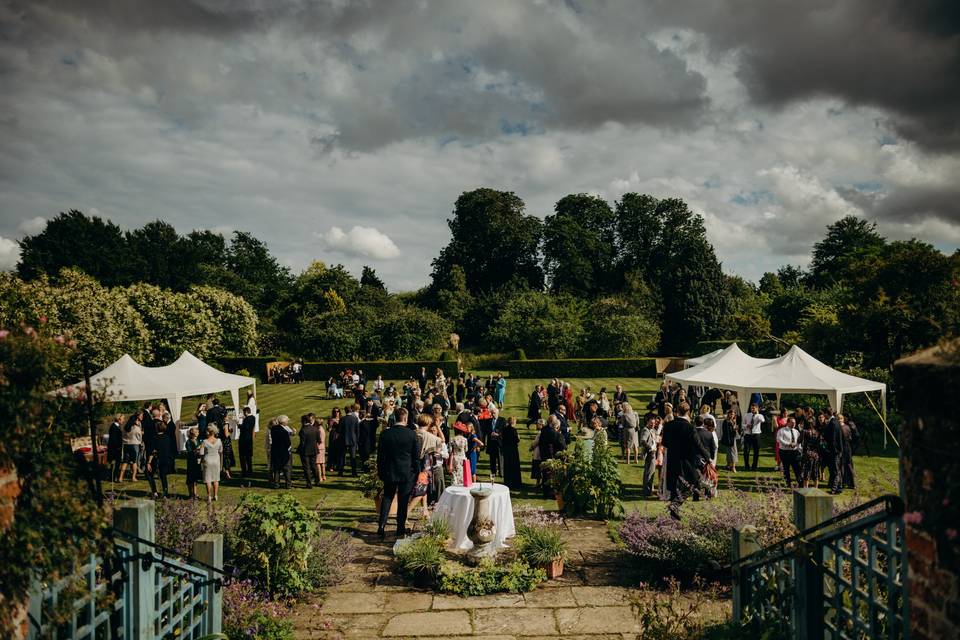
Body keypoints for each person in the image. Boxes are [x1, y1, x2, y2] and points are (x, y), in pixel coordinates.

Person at [661, 402, 710, 520]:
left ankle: (673, 513)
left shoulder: (668, 425)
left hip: (672, 458)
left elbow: (665, 443)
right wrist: (707, 456)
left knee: (674, 485)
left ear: (677, 411)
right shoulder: (690, 427)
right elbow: (698, 444)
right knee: (694, 483)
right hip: (687, 460)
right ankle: (676, 504)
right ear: (688, 412)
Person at [377, 407, 420, 540]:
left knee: (387, 497)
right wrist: (417, 472)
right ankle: (400, 527)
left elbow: (380, 456)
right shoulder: (412, 434)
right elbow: (416, 457)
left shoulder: (385, 434)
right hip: (406, 472)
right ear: (406, 418)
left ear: (395, 418)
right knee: (403, 500)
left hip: (390, 470)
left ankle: (382, 525)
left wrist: (380, 471)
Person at [148, 419, 177, 497]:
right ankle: (165, 493)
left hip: (157, 459)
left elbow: (153, 451)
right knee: (163, 476)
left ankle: (154, 491)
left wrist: (149, 462)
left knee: (149, 474)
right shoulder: (167, 437)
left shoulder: (154, 438)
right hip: (166, 458)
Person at [820, 407, 844, 494]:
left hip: (834, 450)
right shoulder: (835, 422)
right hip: (835, 450)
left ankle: (834, 488)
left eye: (823, 413)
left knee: (835, 470)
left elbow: (833, 439)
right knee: (835, 470)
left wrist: (831, 450)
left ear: (827, 413)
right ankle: (839, 487)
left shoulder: (833, 423)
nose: (823, 415)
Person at [198, 426, 223, 503]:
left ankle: (209, 496)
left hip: (207, 461)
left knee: (208, 479)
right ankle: (215, 495)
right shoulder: (219, 440)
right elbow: (220, 450)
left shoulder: (205, 442)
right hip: (216, 461)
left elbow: (201, 453)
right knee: (216, 479)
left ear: (208, 432)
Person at [777, 417, 802, 487]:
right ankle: (788, 483)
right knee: (786, 468)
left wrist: (799, 448)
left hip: (794, 452)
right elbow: (779, 440)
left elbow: (799, 441)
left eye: (794, 422)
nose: (794, 424)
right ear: (788, 422)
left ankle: (800, 482)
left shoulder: (796, 431)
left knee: (797, 468)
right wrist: (788, 444)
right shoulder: (782, 431)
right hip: (785, 452)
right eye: (792, 422)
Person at [270, 415, 293, 489]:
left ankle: (276, 483)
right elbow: (288, 443)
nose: (287, 422)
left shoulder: (273, 429)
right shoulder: (284, 432)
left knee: (276, 469)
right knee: (287, 469)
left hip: (275, 451)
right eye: (287, 421)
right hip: (283, 452)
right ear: (283, 422)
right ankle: (288, 484)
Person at [119, 412, 143, 482]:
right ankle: (133, 477)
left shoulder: (125, 427)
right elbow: (140, 437)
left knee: (125, 462)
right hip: (134, 445)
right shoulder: (136, 428)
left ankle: (120, 477)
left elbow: (122, 436)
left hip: (126, 445)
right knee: (134, 462)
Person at [799, 415, 822, 488]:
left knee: (807, 471)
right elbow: (820, 443)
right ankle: (815, 488)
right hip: (815, 453)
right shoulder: (817, 432)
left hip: (807, 453)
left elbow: (799, 441)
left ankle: (806, 488)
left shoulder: (804, 431)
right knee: (815, 471)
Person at [299, 414, 321, 488]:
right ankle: (317, 480)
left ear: (304, 421)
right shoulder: (315, 429)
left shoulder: (303, 430)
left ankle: (309, 483)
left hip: (305, 451)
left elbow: (302, 443)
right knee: (314, 466)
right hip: (314, 450)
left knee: (307, 468)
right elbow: (319, 440)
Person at [501, 416, 522, 491]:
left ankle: (507, 482)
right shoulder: (514, 430)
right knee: (514, 466)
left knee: (507, 465)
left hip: (506, 449)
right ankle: (515, 483)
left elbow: (502, 438)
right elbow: (516, 440)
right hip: (513, 450)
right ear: (514, 422)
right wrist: (518, 438)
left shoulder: (504, 429)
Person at [741, 403, 764, 471]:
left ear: (757, 408)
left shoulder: (760, 416)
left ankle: (754, 466)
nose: (752, 409)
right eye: (751, 408)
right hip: (748, 434)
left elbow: (762, 420)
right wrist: (746, 426)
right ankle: (746, 465)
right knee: (746, 451)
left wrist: (757, 414)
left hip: (756, 435)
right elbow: (742, 425)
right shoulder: (747, 415)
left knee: (756, 451)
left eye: (754, 408)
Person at [640, 414, 659, 496]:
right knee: (649, 472)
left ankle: (649, 489)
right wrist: (650, 448)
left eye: (654, 423)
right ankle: (647, 491)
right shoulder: (646, 430)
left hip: (653, 453)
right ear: (647, 422)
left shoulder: (652, 430)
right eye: (651, 423)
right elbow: (643, 441)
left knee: (651, 471)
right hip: (649, 453)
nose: (653, 425)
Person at [839, 414, 856, 489]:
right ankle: (851, 483)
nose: (839, 420)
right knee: (848, 465)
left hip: (843, 447)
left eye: (840, 419)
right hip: (848, 447)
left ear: (842, 419)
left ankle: (843, 482)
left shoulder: (841, 428)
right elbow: (850, 438)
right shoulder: (847, 427)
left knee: (842, 465)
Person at [184, 426, 202, 499]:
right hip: (191, 462)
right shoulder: (188, 442)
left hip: (197, 461)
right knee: (190, 478)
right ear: (192, 433)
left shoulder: (198, 440)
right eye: (196, 432)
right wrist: (197, 449)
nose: (198, 433)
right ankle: (190, 494)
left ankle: (195, 493)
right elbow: (190, 452)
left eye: (198, 431)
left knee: (195, 478)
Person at [719, 408, 739, 472]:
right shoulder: (726, 421)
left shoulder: (734, 421)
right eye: (731, 414)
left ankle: (730, 466)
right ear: (728, 414)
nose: (732, 415)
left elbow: (735, 430)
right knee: (731, 453)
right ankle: (732, 467)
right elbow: (726, 431)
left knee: (732, 452)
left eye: (733, 414)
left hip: (733, 438)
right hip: (729, 439)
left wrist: (735, 428)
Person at [238, 406, 256, 478]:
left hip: (244, 439)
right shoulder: (253, 418)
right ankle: (250, 471)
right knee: (248, 456)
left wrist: (239, 426)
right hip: (249, 439)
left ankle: (244, 471)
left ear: (246, 412)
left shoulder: (247, 419)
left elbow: (245, 428)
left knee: (242, 456)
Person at [107, 413, 124, 482]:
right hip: (114, 449)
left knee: (117, 464)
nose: (123, 420)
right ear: (119, 419)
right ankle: (112, 477)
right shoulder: (114, 427)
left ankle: (113, 476)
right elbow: (114, 439)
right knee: (115, 464)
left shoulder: (117, 426)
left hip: (116, 449)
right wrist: (118, 447)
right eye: (123, 419)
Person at [219, 412, 235, 480]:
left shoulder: (219, 423)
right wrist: (230, 432)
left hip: (222, 441)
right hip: (226, 442)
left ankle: (227, 471)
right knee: (227, 457)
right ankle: (227, 473)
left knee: (224, 456)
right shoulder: (225, 424)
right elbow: (226, 434)